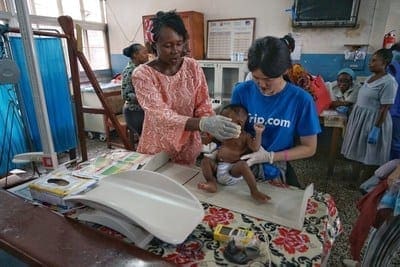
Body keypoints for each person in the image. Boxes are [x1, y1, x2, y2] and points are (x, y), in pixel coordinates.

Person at [132, 10, 240, 165]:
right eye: (167, 46)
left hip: (187, 146)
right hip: (157, 148)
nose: (175, 50)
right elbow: (160, 115)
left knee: (184, 183)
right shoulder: (143, 74)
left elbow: (203, 103)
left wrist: (211, 126)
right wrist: (202, 124)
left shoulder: (192, 66)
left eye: (179, 43)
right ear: (154, 45)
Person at [231, 36, 321, 187]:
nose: (261, 85)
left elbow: (309, 147)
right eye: (256, 78)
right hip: (243, 162)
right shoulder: (241, 92)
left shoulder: (301, 100)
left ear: (285, 70)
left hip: (277, 166)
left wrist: (270, 157)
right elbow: (234, 131)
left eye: (268, 79)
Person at [341, 48, 398, 182]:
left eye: (374, 61)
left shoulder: (389, 82)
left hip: (374, 120)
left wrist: (376, 128)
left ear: (384, 62)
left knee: (371, 152)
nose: (369, 63)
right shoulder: (370, 78)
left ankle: (365, 181)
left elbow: (385, 108)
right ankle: (354, 177)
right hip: (361, 118)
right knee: (357, 148)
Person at [198, 104, 271, 203]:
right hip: (218, 167)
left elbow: (255, 148)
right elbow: (207, 141)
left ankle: (254, 191)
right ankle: (211, 182)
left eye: (225, 121)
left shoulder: (245, 136)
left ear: (239, 124)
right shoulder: (222, 133)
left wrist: (258, 133)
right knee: (205, 161)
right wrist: (205, 137)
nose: (221, 125)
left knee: (243, 165)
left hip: (233, 171)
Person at [121, 43, 149, 145]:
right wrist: (145, 98)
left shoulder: (142, 69)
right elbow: (126, 95)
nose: (147, 55)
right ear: (135, 55)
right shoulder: (130, 71)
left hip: (142, 109)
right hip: (134, 111)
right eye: (144, 53)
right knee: (146, 140)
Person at [388, 42, 400, 159]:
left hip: (396, 112)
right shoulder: (390, 68)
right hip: (390, 110)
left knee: (395, 143)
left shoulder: (394, 68)